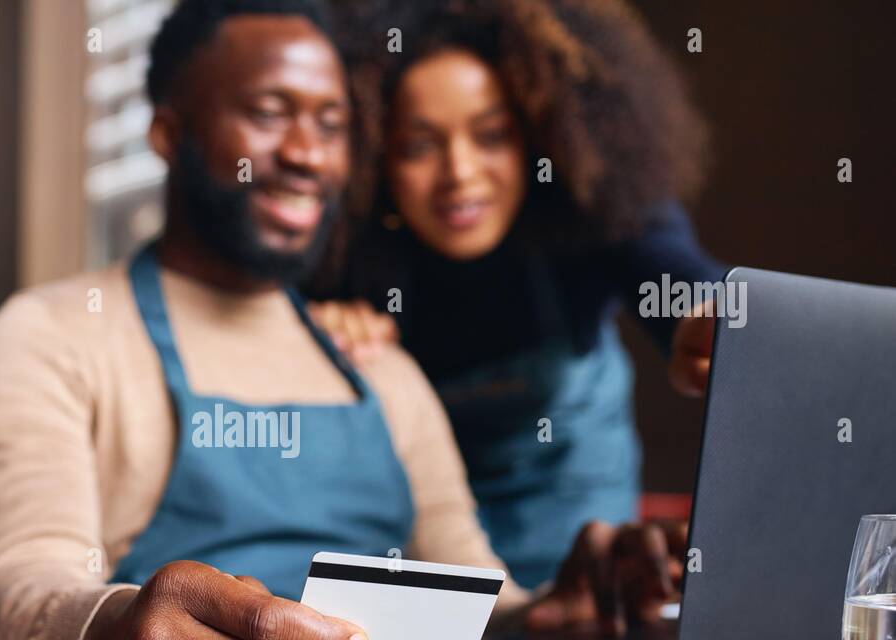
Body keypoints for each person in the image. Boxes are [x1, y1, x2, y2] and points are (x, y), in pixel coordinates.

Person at [0, 0, 680, 640]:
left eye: (332, 124)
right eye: (270, 113)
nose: (308, 154)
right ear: (169, 133)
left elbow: (476, 605)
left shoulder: (382, 369)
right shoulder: (51, 335)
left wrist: (562, 611)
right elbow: (21, 584)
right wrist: (108, 636)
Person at [309, 0, 722, 588]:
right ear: (373, 158)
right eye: (418, 146)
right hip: (434, 599)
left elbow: (685, 283)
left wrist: (710, 323)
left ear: (539, 135)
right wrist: (316, 337)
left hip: (591, 590)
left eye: (492, 135)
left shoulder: (590, 209)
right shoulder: (348, 259)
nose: (460, 173)